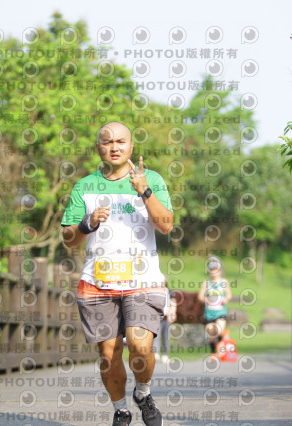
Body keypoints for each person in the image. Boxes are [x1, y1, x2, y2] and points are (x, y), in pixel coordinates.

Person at [61, 121, 173, 426]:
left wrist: (144, 191)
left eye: (121, 141)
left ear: (131, 146)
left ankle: (143, 392)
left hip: (143, 281)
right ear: (98, 148)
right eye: (107, 141)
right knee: (109, 356)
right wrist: (86, 224)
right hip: (98, 284)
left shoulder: (151, 179)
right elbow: (68, 238)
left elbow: (166, 225)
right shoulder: (85, 186)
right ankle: (121, 409)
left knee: (140, 346)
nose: (114, 147)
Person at [197, 257, 232, 355]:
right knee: (211, 334)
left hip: (220, 312)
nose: (214, 272)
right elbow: (200, 296)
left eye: (215, 270)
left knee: (219, 330)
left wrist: (225, 299)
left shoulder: (224, 282)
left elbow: (229, 295)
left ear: (220, 271)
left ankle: (221, 348)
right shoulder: (206, 283)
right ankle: (214, 353)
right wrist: (207, 299)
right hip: (209, 313)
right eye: (211, 270)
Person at [153, 288, 177, 363]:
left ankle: (165, 354)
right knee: (156, 335)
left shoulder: (168, 291)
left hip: (166, 316)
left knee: (166, 336)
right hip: (156, 316)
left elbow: (173, 302)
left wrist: (172, 313)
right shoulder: (154, 290)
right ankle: (155, 354)